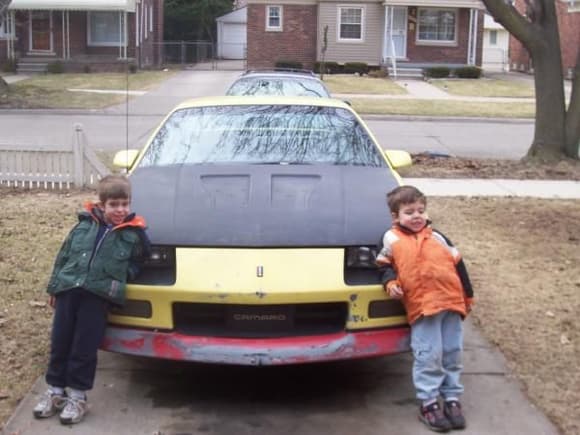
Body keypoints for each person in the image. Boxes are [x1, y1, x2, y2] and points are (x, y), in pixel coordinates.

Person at [33, 174, 150, 425]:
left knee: (83, 347)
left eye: (125, 203)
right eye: (114, 204)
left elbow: (140, 260)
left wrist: (120, 277)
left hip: (97, 297)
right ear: (101, 203)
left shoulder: (134, 234)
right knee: (60, 341)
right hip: (69, 291)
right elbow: (64, 256)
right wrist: (55, 288)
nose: (120, 210)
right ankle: (55, 391)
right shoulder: (84, 225)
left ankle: (77, 396)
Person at [376, 185, 473, 433]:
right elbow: (383, 265)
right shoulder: (391, 238)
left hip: (450, 302)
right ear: (396, 217)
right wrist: (390, 282)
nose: (417, 216)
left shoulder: (438, 237)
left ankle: (451, 397)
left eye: (421, 210)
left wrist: (467, 295)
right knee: (429, 355)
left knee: (452, 352)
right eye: (410, 212)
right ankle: (429, 402)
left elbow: (458, 265)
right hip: (423, 307)